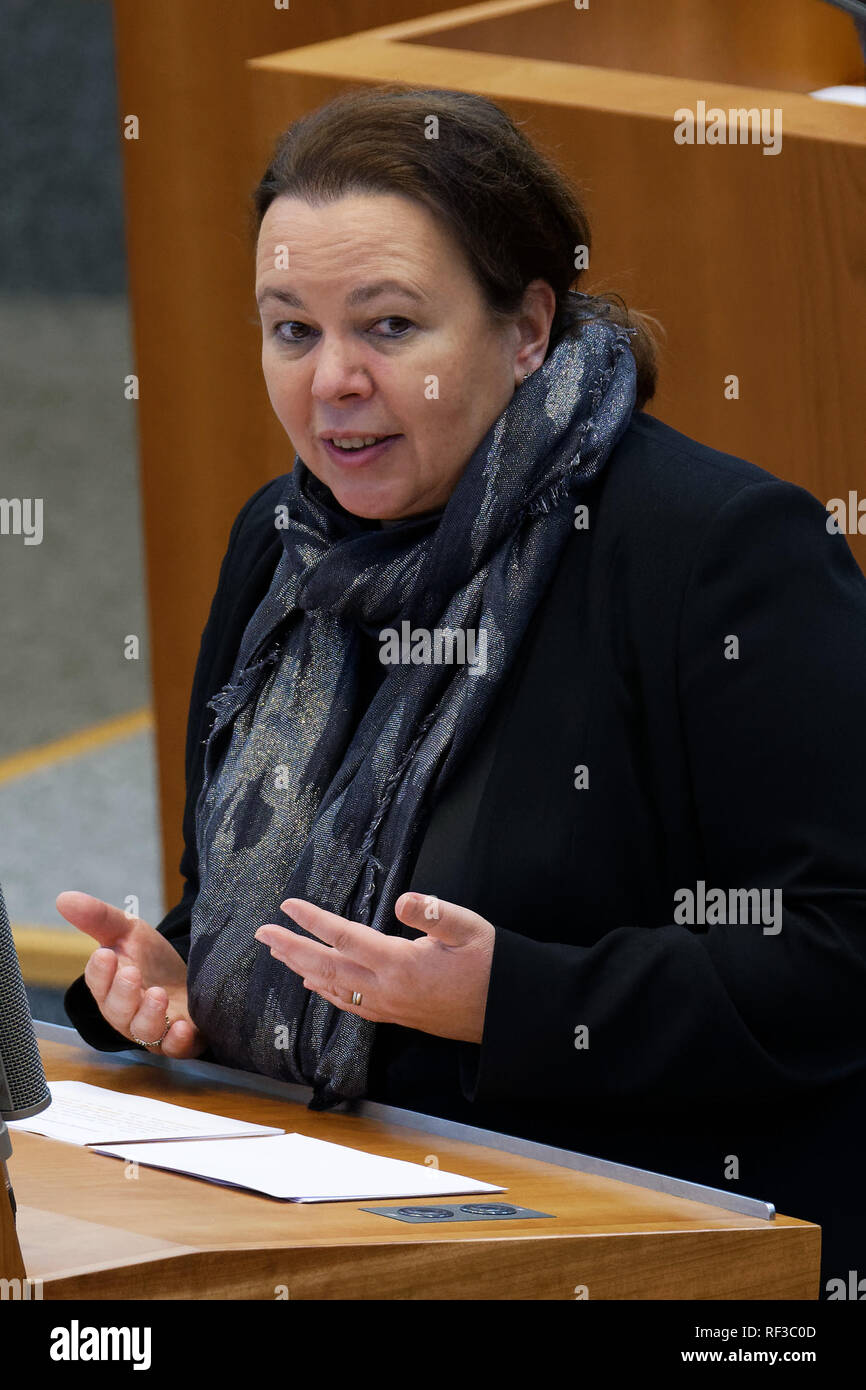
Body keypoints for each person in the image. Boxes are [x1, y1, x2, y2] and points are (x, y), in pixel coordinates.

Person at [62, 86, 866, 1293]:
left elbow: (838, 952)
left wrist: (517, 1000)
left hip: (646, 1236)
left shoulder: (715, 553)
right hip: (316, 1205)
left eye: (388, 328)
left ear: (527, 326)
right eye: (291, 330)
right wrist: (181, 981)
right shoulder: (280, 549)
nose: (330, 380)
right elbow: (255, 901)